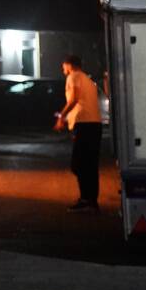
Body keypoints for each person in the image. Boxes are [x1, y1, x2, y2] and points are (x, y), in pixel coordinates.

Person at [53, 54, 102, 212]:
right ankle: (92, 201)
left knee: (78, 164)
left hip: (84, 125)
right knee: (91, 164)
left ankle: (85, 200)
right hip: (95, 124)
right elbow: (84, 103)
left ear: (70, 65)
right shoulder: (88, 80)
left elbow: (73, 99)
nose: (63, 69)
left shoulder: (73, 76)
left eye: (64, 66)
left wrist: (61, 116)